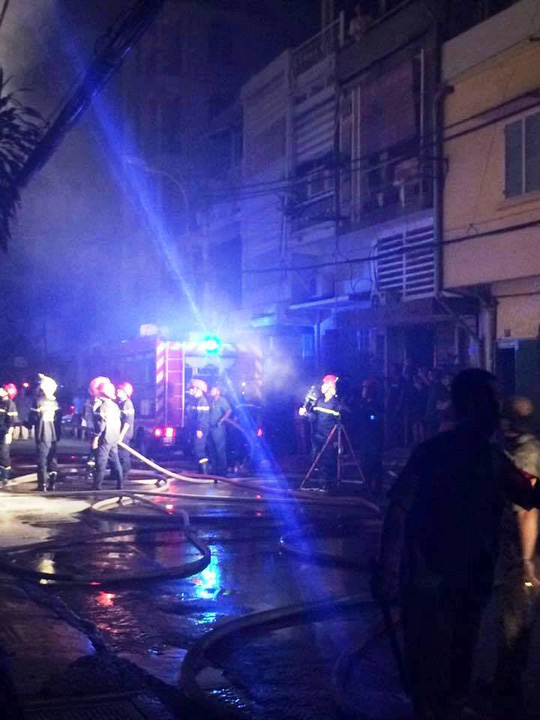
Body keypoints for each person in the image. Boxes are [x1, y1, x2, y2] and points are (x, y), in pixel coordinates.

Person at [378, 369, 540, 720]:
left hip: (453, 580)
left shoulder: (474, 455)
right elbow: (400, 508)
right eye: (492, 403)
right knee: (441, 666)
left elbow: (529, 493)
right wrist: (388, 567)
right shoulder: (468, 456)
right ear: (473, 406)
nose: (497, 412)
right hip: (438, 580)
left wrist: (386, 568)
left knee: (444, 667)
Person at [492, 396, 540, 717]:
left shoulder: (525, 455)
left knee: (515, 620)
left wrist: (526, 560)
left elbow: (526, 511)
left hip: (526, 550)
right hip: (524, 548)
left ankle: (508, 694)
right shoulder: (528, 448)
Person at [299, 374, 341, 493]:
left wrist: (336, 440)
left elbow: (339, 423)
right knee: (315, 459)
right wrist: (305, 413)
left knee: (328, 461)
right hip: (317, 437)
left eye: (324, 384)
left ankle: (327, 485)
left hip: (329, 438)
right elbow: (314, 418)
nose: (322, 386)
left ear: (330, 387)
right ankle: (320, 482)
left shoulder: (336, 404)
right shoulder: (319, 401)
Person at [92, 379, 123, 491]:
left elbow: (100, 425)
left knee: (101, 462)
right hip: (114, 437)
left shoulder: (102, 407)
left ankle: (97, 486)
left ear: (102, 393)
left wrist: (95, 438)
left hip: (105, 438)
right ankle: (120, 484)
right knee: (115, 461)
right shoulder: (115, 406)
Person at [30, 375, 59, 492]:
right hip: (54, 435)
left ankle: (42, 485)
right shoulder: (55, 403)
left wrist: (26, 424)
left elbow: (33, 418)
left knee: (42, 460)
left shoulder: (38, 401)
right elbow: (58, 419)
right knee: (52, 459)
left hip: (42, 434)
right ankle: (52, 484)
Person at [187, 379, 210, 474]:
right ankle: (201, 472)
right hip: (196, 429)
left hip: (201, 429)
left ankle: (205, 473)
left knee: (199, 450)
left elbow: (202, 417)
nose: (191, 390)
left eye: (193, 388)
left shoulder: (202, 401)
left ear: (199, 389)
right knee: (196, 449)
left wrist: (200, 429)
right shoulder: (195, 401)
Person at [208, 384, 231, 476]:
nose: (211, 391)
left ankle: (223, 471)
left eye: (213, 390)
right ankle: (214, 470)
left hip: (218, 429)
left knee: (220, 450)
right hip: (210, 428)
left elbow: (229, 411)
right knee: (211, 450)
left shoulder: (222, 400)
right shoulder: (211, 401)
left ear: (218, 391)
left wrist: (221, 420)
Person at [116, 381, 135, 482]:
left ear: (125, 392)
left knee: (123, 454)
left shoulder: (127, 404)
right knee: (118, 454)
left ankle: (124, 474)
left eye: (120, 390)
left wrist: (121, 436)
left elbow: (127, 422)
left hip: (124, 434)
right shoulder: (120, 403)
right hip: (119, 433)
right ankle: (117, 474)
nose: (117, 391)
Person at [0, 384, 18, 485]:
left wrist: (9, 434)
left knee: (4, 454)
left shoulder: (10, 404)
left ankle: (5, 476)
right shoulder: (0, 402)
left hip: (4, 432)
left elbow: (12, 422)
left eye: (3, 389)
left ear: (8, 392)